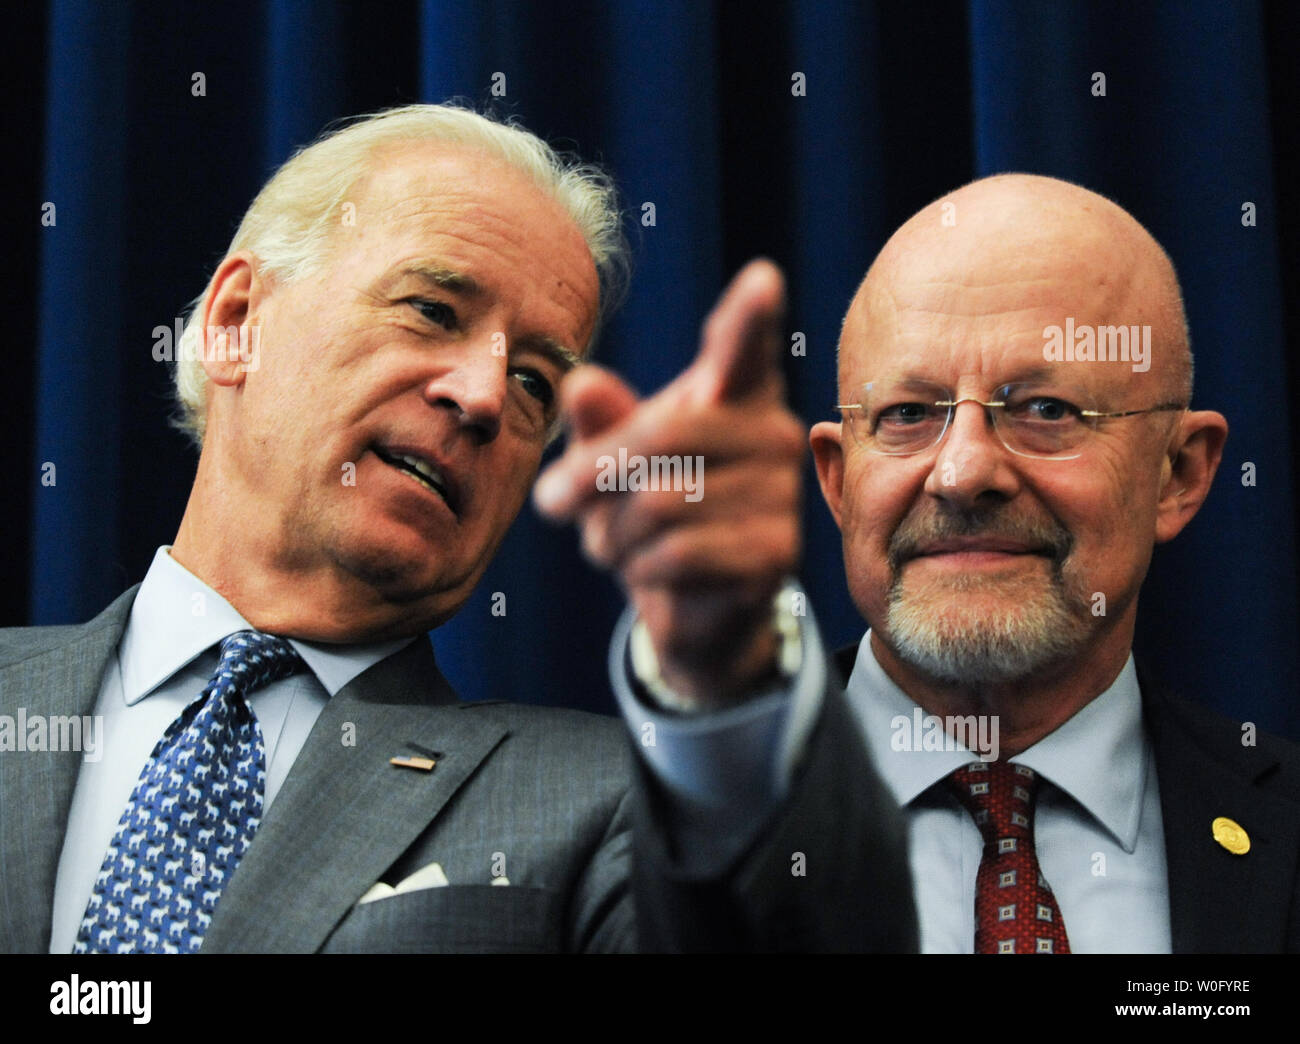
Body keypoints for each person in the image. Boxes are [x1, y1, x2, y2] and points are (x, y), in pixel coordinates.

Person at [0, 104, 913, 954]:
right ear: (239, 321)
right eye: (433, 311)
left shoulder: (608, 806)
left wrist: (735, 667)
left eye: (533, 383)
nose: (482, 397)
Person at [808, 173, 1300, 953]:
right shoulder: (668, 826)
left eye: (1045, 410)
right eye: (908, 415)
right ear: (837, 480)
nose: (963, 474)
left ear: (1178, 474)